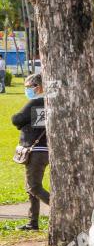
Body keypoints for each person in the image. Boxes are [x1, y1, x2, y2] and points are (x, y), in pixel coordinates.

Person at [11, 73, 49, 230]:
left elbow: (17, 119)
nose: (26, 90)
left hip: (35, 149)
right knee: (31, 186)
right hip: (44, 148)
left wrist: (21, 124)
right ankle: (32, 221)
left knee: (33, 186)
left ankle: (59, 208)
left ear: (37, 87)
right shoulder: (48, 101)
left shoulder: (35, 101)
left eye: (28, 87)